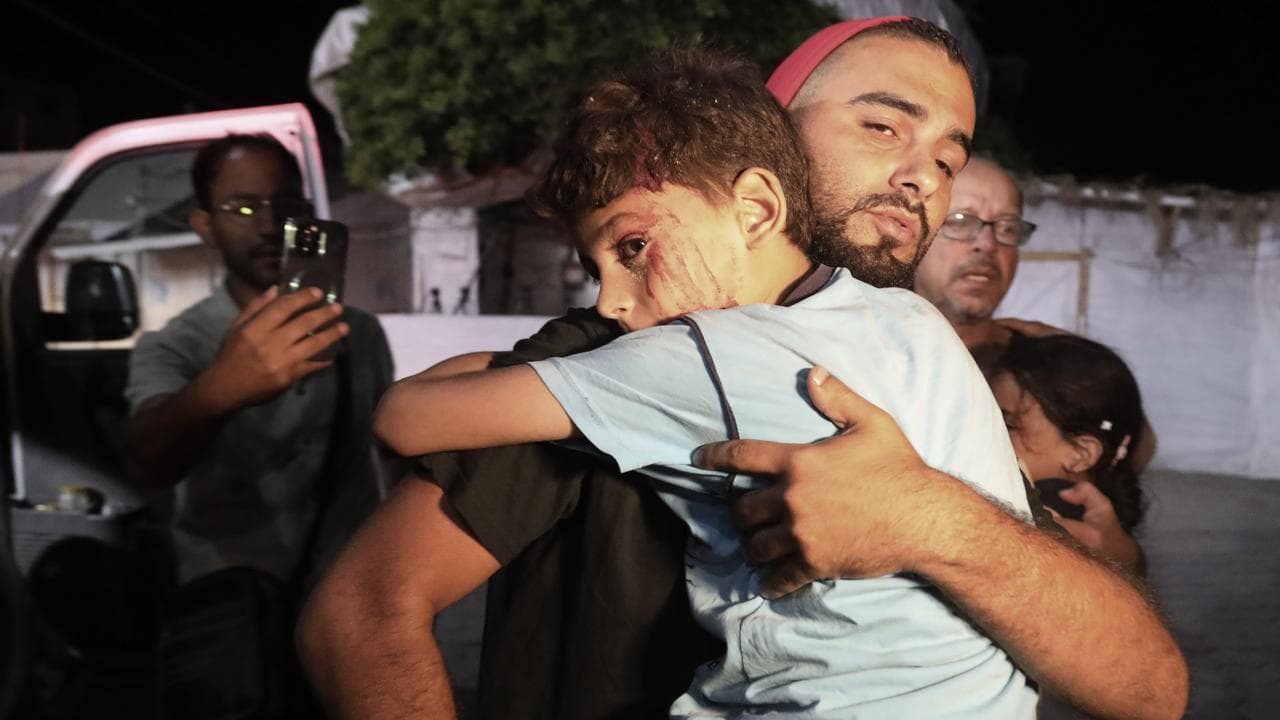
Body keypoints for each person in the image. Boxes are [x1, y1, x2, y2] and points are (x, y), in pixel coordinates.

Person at [297, 17, 1188, 720]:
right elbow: (363, 614)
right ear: (772, 141)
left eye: (948, 159)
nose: (923, 177)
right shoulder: (617, 346)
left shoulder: (912, 366)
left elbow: (1147, 687)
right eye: (882, 125)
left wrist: (929, 519)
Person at [124, 134, 396, 714]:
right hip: (227, 597)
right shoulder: (175, 345)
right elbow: (146, 459)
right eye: (243, 207)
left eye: (287, 206)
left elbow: (382, 458)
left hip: (345, 596)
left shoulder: (359, 335)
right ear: (203, 225)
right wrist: (217, 390)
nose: (271, 224)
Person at [913, 157, 1151, 571]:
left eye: (1007, 228)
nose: (987, 245)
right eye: (962, 221)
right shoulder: (863, 348)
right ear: (913, 229)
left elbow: (1138, 448)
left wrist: (1123, 557)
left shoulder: (1047, 364)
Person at [992, 333, 1149, 572]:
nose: (986, 432)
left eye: (1010, 425)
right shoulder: (1109, 536)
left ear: (1080, 453)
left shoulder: (1049, 520)